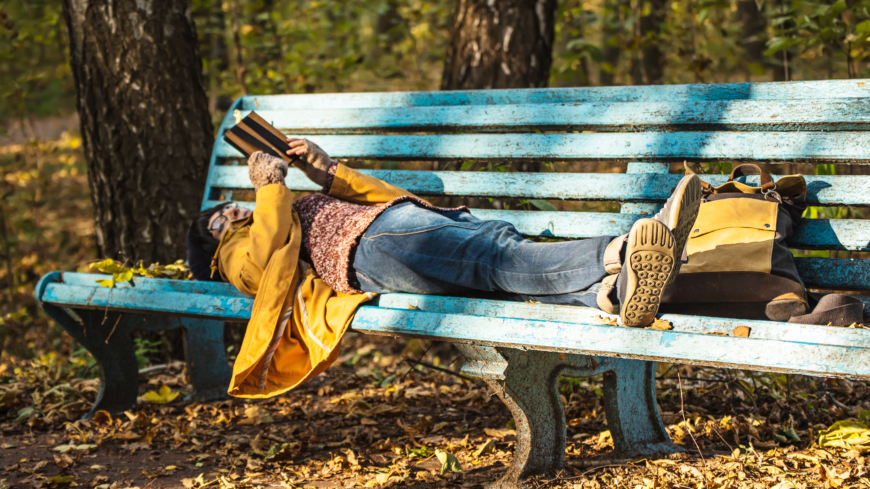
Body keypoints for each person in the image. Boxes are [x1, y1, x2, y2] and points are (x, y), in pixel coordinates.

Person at [186, 139, 701, 398]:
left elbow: (386, 197)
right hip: (373, 246)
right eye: (219, 222)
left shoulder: (277, 209)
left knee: (501, 271)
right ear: (213, 249)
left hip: (392, 225)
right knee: (495, 257)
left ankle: (611, 293)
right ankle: (624, 247)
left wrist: (325, 171)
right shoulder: (238, 250)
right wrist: (269, 186)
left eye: (229, 206)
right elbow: (260, 262)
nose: (231, 212)